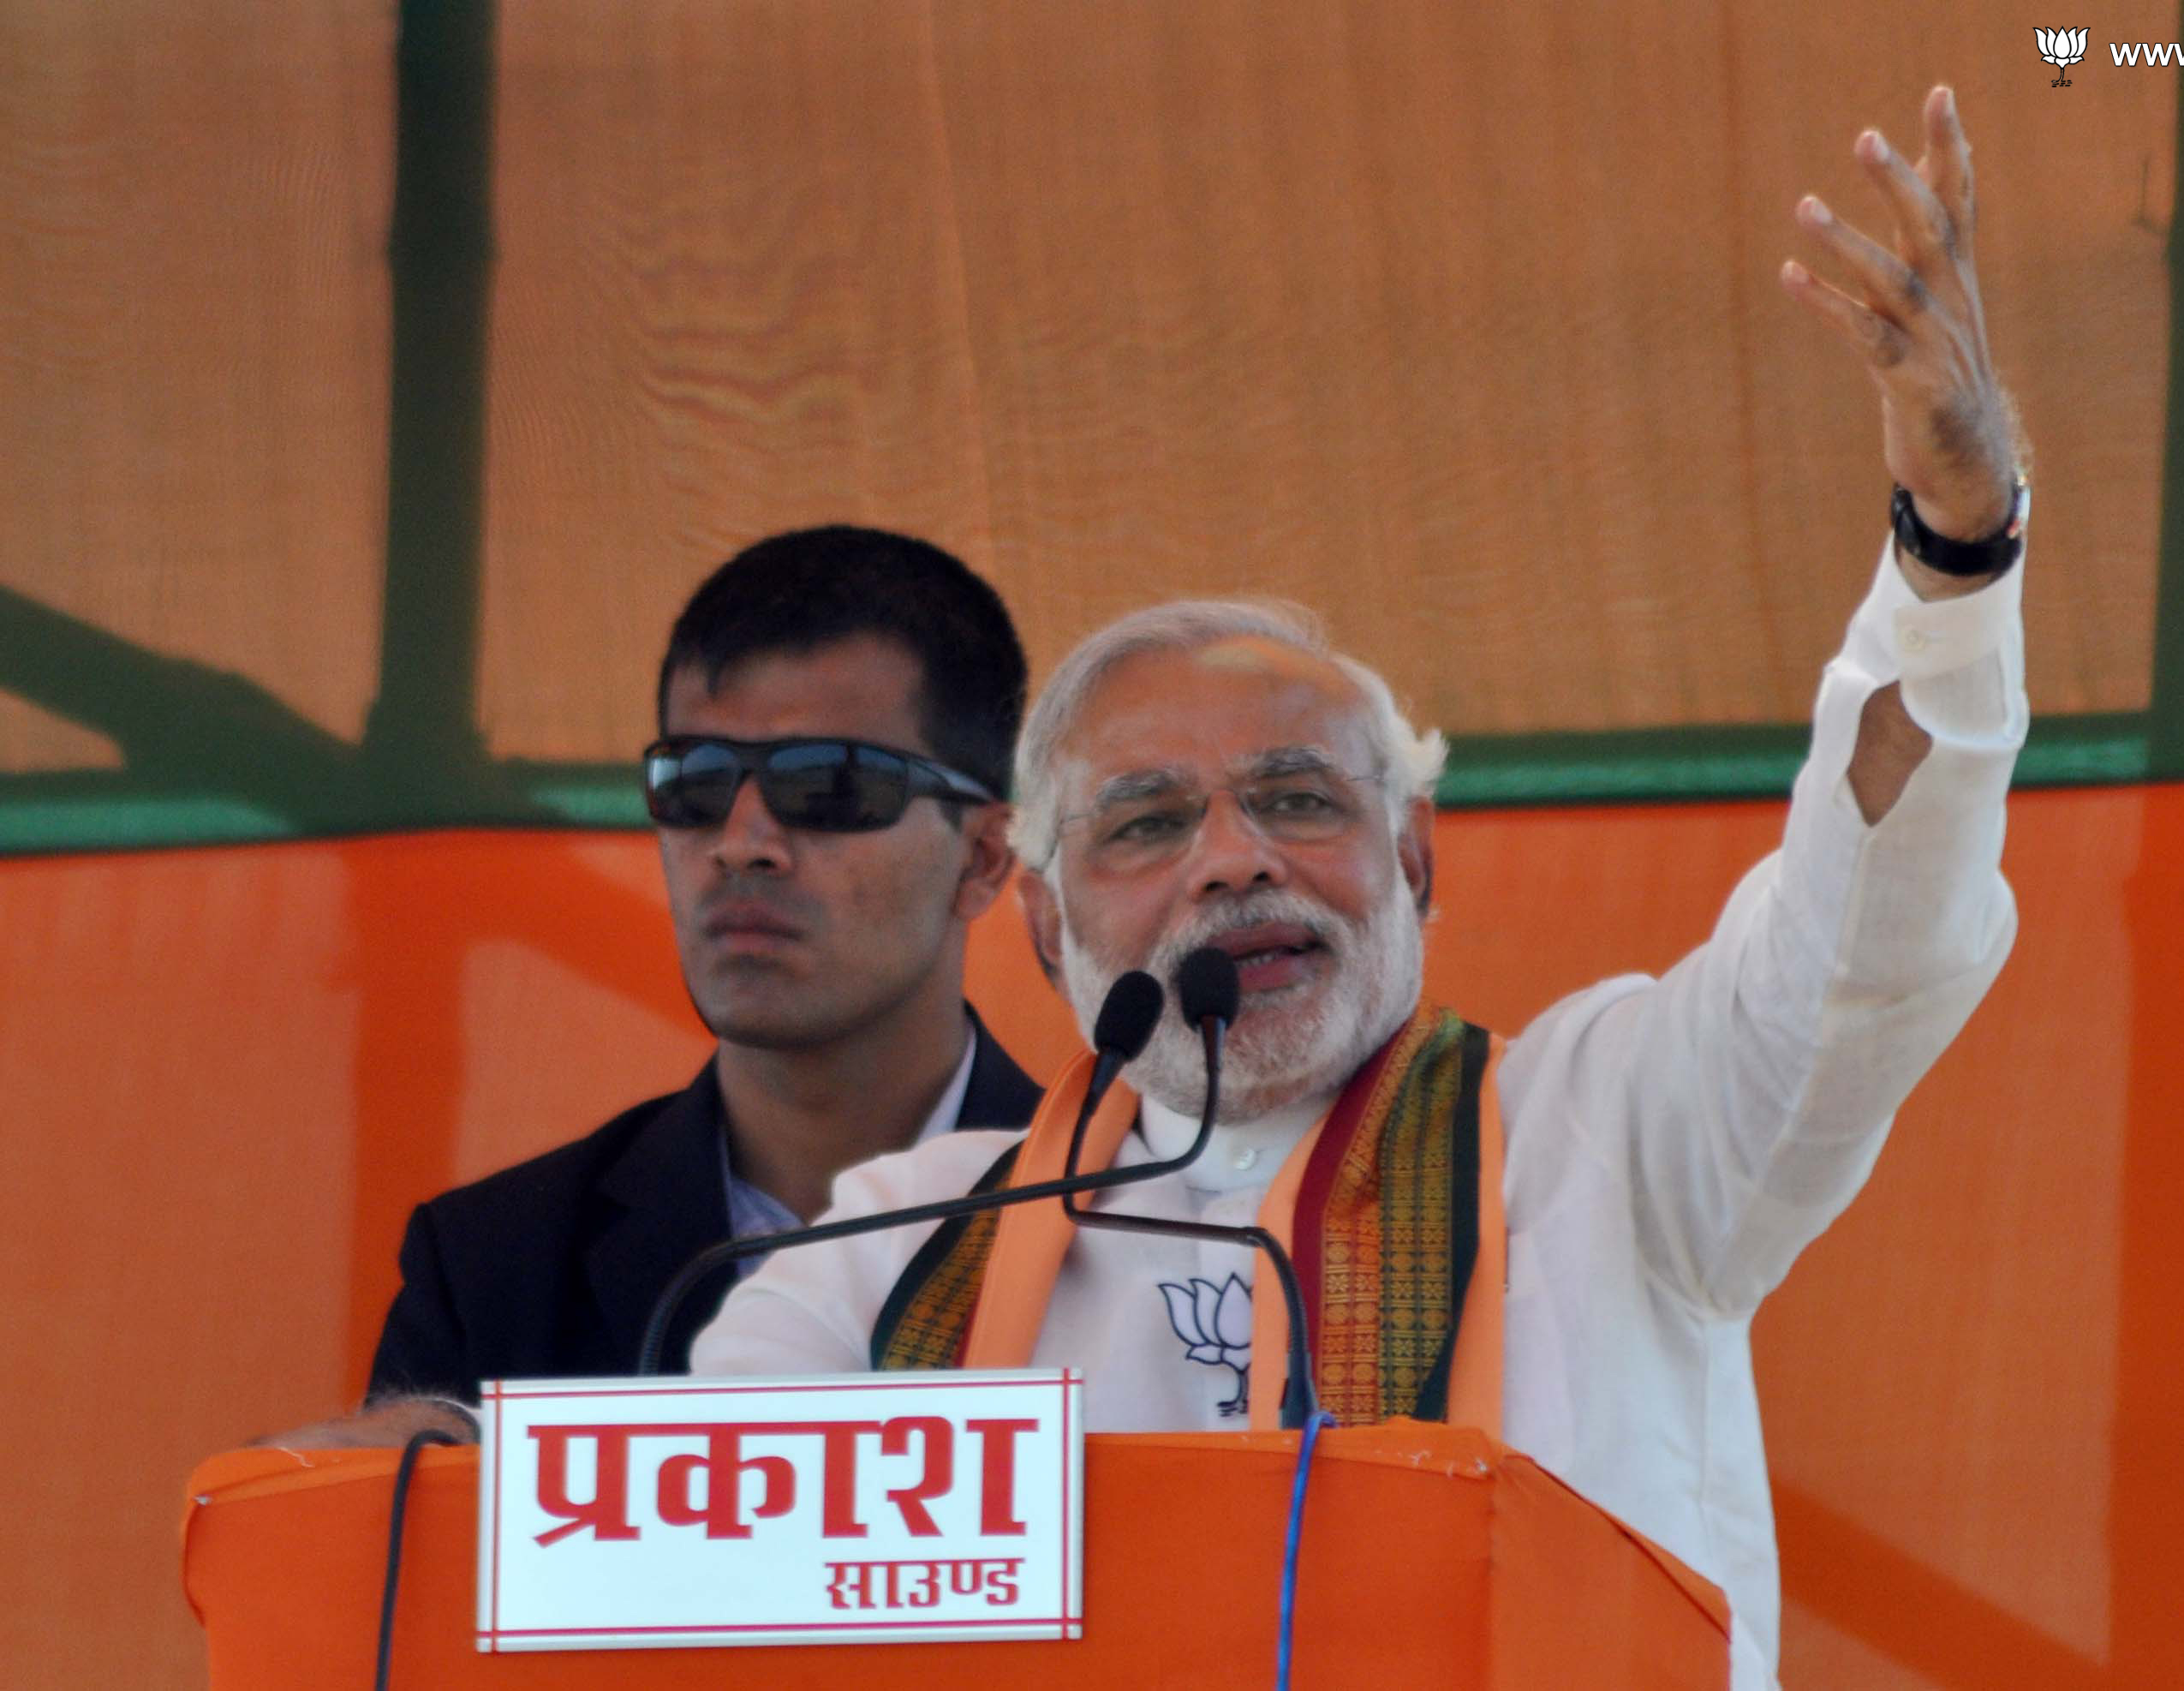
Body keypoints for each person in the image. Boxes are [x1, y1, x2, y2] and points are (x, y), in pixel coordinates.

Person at [693, 88, 2023, 1687]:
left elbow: (1854, 948)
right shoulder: (881, 1250)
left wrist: (1948, 557)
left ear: (1412, 857)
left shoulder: (1607, 1130)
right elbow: (700, 1604)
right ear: (1042, 920)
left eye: (1295, 797)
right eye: (1143, 822)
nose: (1233, 856)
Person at [319, 526, 1043, 1441]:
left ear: (982, 858)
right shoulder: (494, 1265)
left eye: (828, 785)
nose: (742, 843)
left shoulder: (1148, 1227)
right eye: (693, 784)